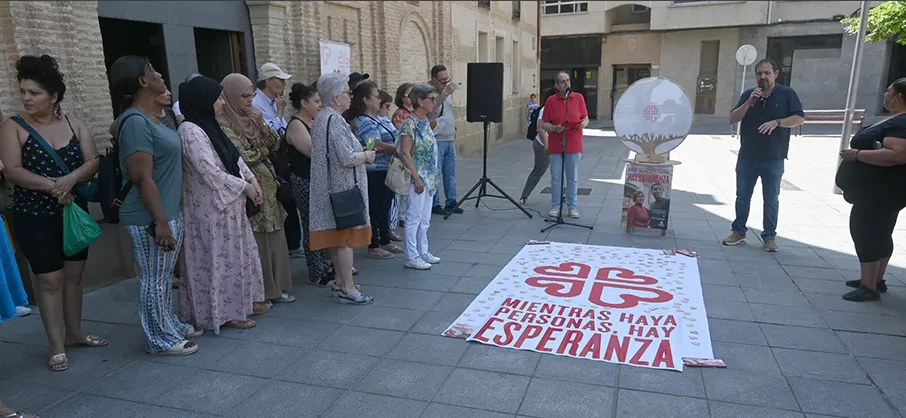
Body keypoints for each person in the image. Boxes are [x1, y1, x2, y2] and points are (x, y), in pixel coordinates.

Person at [0, 55, 106, 371]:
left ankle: (75, 333)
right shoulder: (13, 126)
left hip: (73, 212)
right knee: (49, 280)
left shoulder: (75, 124)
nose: (26, 98)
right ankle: (56, 345)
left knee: (74, 276)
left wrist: (70, 179)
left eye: (34, 93)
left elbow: (93, 161)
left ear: (54, 97)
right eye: (23, 92)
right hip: (34, 215)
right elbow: (13, 172)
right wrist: (54, 186)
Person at [110, 56, 201, 356]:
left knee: (162, 278)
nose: (160, 74)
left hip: (166, 211)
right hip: (150, 215)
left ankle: (167, 325)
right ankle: (159, 340)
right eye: (152, 71)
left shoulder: (152, 119)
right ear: (142, 82)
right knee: (153, 279)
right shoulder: (135, 122)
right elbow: (141, 176)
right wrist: (161, 220)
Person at [178, 75, 266, 331]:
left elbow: (233, 158)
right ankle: (222, 313)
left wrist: (252, 181)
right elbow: (208, 172)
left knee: (234, 257)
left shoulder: (210, 125)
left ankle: (240, 304)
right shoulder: (191, 131)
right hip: (211, 209)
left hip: (229, 205)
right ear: (202, 100)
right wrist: (245, 187)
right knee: (216, 260)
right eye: (217, 98)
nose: (222, 103)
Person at [219, 73, 294, 306]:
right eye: (244, 95)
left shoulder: (252, 117)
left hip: (269, 190)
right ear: (230, 96)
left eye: (252, 94)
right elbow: (246, 155)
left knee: (276, 238)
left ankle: (278, 287)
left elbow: (276, 143)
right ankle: (262, 292)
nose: (250, 99)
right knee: (258, 242)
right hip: (250, 194)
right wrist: (264, 148)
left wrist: (261, 123)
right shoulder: (223, 123)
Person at [836, 78, 906, 302]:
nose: (884, 94)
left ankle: (869, 287)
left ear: (897, 97)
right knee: (881, 231)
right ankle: (876, 279)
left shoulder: (902, 123)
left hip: (882, 190)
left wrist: (856, 155)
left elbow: (896, 155)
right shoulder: (898, 120)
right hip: (887, 189)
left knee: (864, 229)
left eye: (888, 90)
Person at [724, 59, 805, 252]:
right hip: (747, 156)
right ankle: (738, 231)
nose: (763, 77)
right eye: (760, 73)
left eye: (767, 73)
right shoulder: (749, 95)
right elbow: (732, 118)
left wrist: (778, 122)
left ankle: (769, 236)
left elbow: (799, 117)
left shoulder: (787, 94)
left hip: (773, 157)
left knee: (771, 198)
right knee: (742, 196)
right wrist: (749, 102)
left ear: (775, 74)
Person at [310, 72, 375, 304]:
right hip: (341, 190)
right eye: (347, 92)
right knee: (345, 240)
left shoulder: (322, 117)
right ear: (337, 97)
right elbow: (346, 158)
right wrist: (366, 155)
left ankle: (340, 281)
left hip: (331, 190)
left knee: (337, 240)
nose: (350, 96)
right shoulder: (334, 120)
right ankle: (348, 288)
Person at [252, 63, 303, 258]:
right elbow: (272, 132)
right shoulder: (257, 103)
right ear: (269, 81)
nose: (283, 84)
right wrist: (280, 113)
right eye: (280, 80)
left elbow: (282, 130)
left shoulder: (274, 101)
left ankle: (292, 243)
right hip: (267, 157)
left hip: (280, 156)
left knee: (287, 197)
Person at [285, 82, 333, 286]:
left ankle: (324, 265)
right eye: (316, 101)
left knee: (321, 223)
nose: (320, 105)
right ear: (304, 103)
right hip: (305, 180)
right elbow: (314, 153)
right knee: (311, 224)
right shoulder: (296, 125)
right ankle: (316, 272)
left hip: (319, 180)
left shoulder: (314, 122)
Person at [350, 81, 403, 259]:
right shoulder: (364, 122)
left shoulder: (379, 119)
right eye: (376, 96)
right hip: (374, 170)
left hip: (386, 168)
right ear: (366, 99)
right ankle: (373, 245)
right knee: (376, 208)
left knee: (385, 206)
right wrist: (397, 149)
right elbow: (375, 145)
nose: (379, 100)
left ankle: (385, 239)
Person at [399, 83, 442, 270]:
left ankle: (423, 250)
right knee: (413, 216)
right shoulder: (410, 123)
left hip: (429, 177)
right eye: (431, 99)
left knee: (425, 218)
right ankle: (412, 255)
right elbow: (405, 152)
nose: (434, 102)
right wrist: (416, 178)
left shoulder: (425, 121)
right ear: (420, 101)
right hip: (418, 176)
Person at [539, 71, 589, 219]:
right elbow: (543, 123)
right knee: (556, 177)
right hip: (556, 144)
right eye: (562, 81)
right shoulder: (550, 101)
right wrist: (554, 128)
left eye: (568, 80)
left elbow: (585, 118)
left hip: (573, 143)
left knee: (572, 177)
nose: (566, 83)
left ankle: (572, 206)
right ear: (556, 85)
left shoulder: (578, 98)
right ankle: (556, 206)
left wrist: (582, 124)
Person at [427, 65, 462, 215]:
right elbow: (431, 109)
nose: (446, 83)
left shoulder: (445, 93)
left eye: (447, 80)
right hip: (437, 140)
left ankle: (451, 201)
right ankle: (434, 204)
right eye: (442, 80)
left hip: (449, 139)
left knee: (450, 173)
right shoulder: (428, 92)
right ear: (434, 80)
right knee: (435, 173)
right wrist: (445, 93)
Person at [520, 88, 554, 205]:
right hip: (542, 144)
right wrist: (547, 146)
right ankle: (524, 195)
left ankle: (561, 195)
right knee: (539, 170)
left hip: (555, 144)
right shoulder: (544, 109)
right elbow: (541, 129)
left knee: (558, 171)